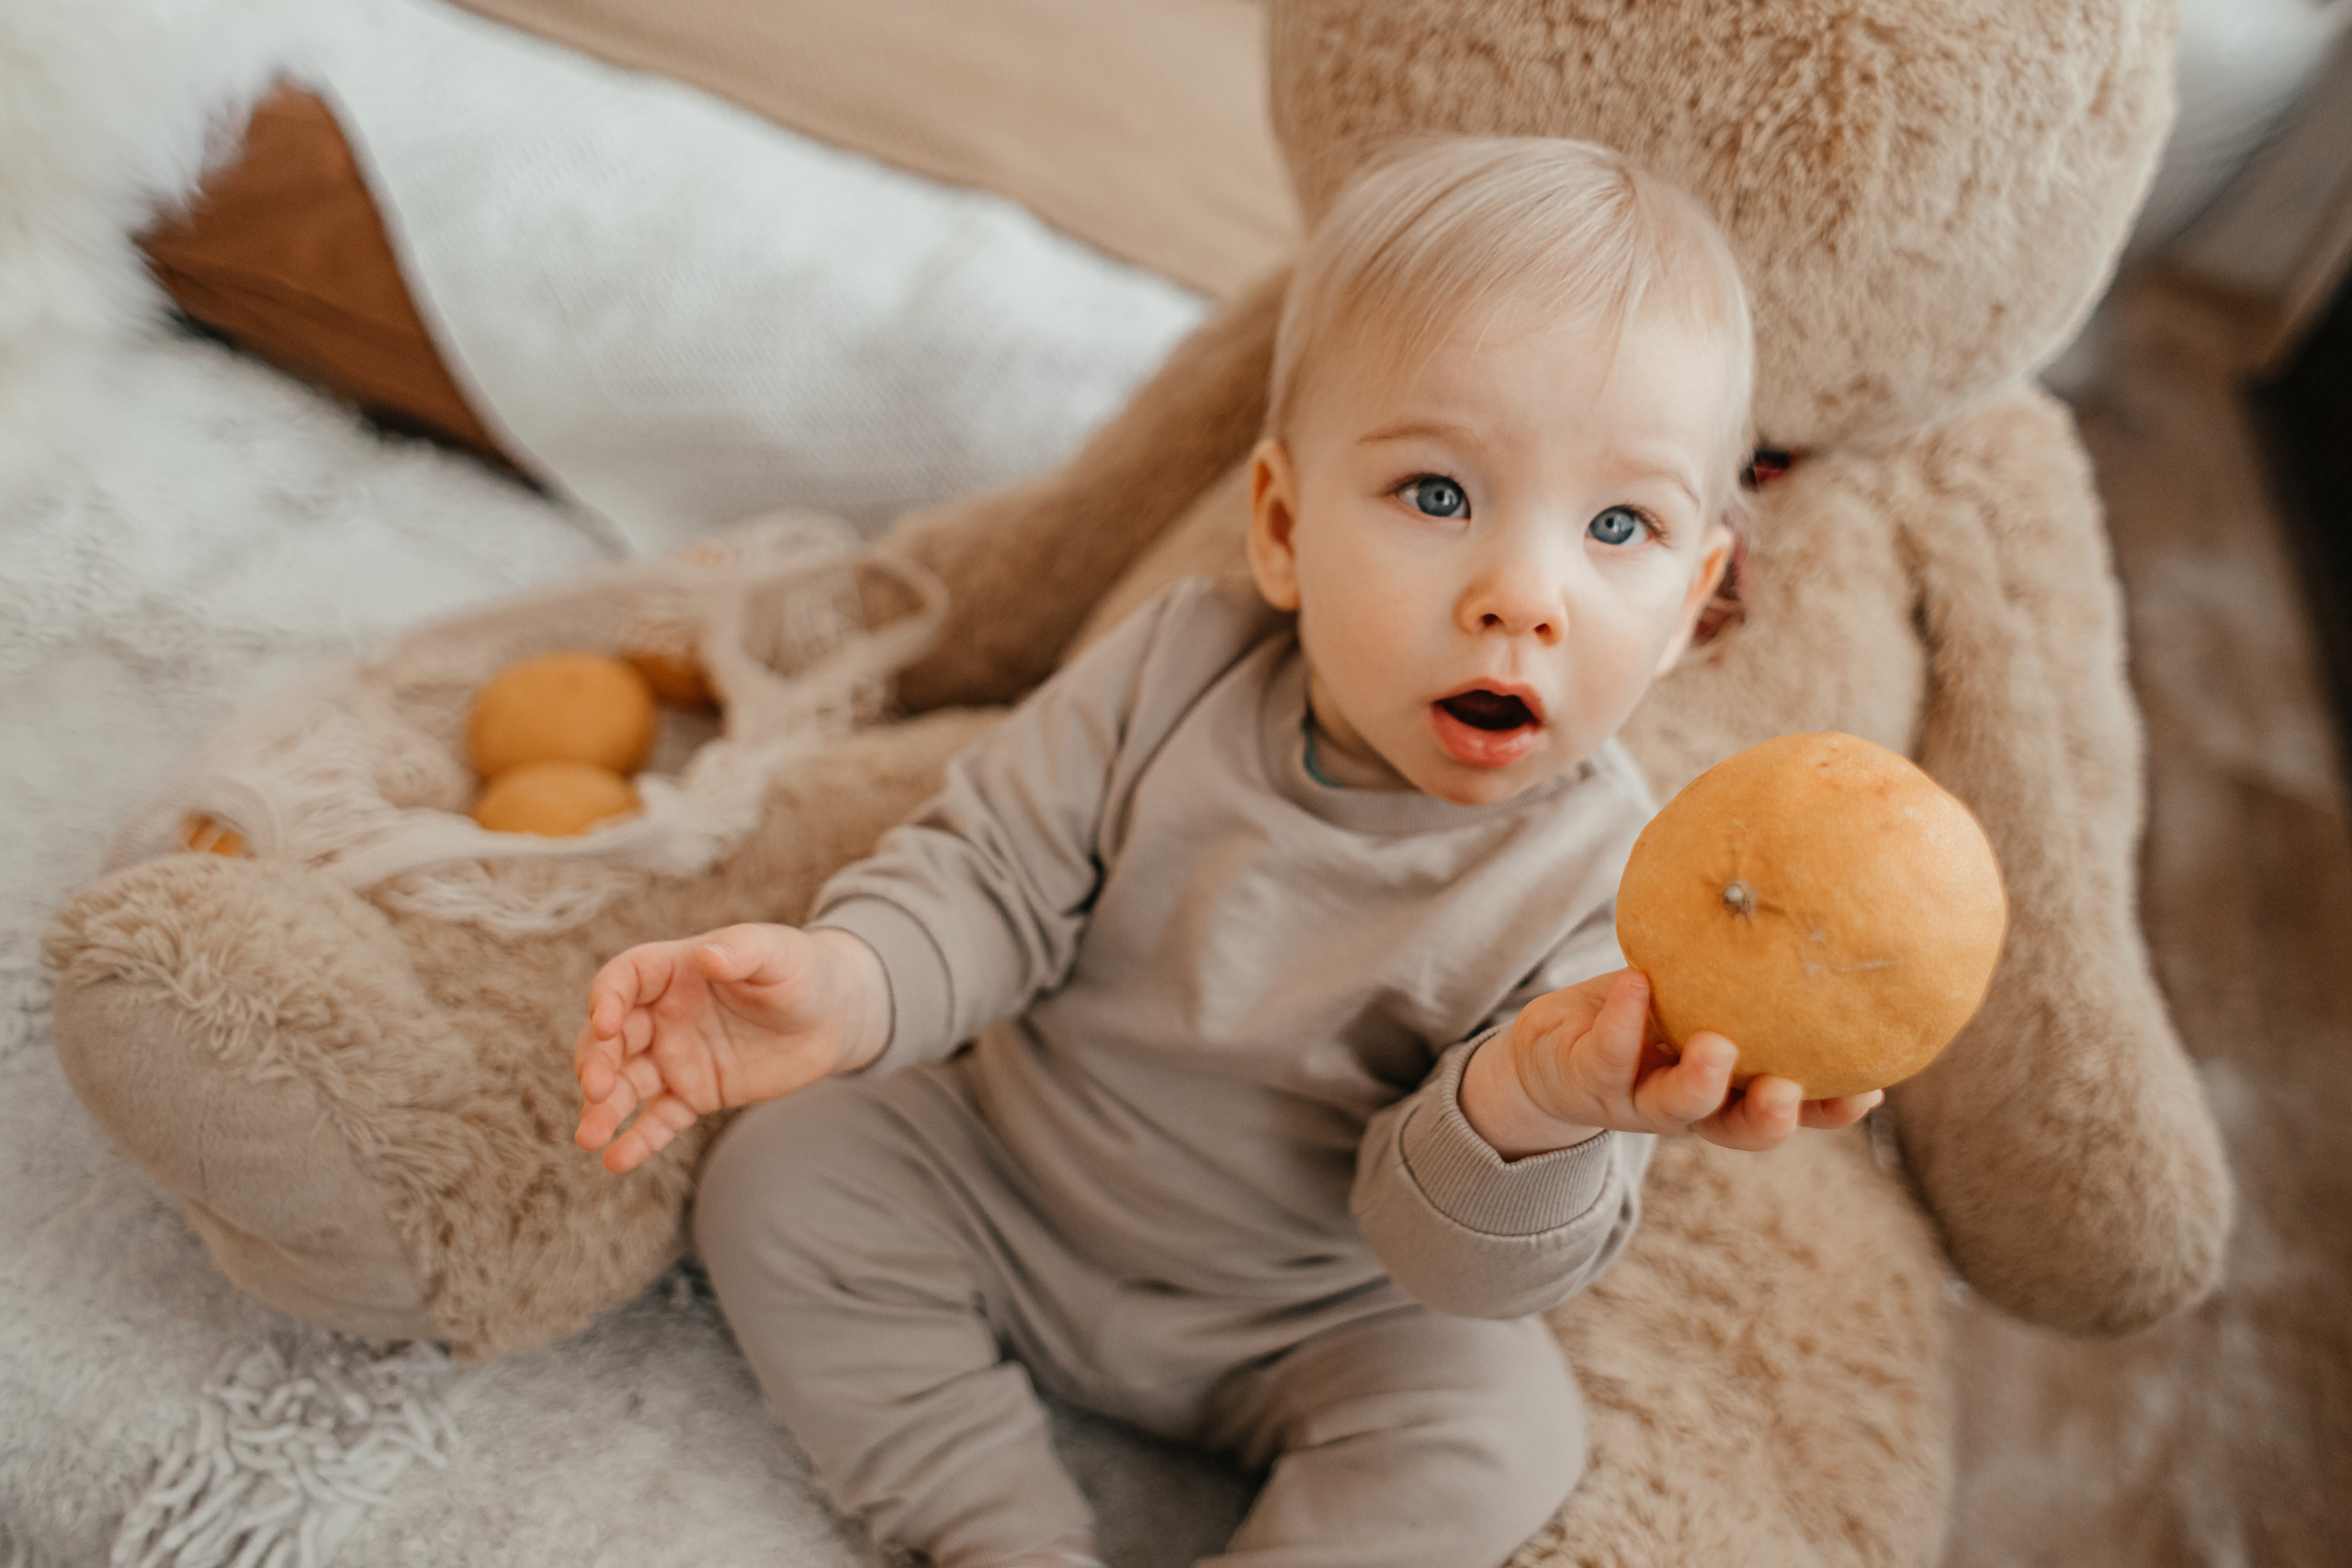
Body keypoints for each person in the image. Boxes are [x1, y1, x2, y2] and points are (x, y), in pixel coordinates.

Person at [573, 137, 1882, 1568]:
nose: (1524, 596)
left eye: (1619, 525)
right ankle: (992, 1532)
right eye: (1439, 494)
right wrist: (849, 980)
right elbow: (992, 875)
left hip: (1321, 1310)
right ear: (1281, 526)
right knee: (786, 1172)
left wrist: (1539, 1100)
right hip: (1011, 1178)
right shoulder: (1175, 670)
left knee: (1501, 1431)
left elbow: (1450, 1257)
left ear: (1695, 606)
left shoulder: (1621, 889)